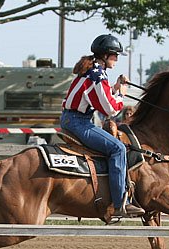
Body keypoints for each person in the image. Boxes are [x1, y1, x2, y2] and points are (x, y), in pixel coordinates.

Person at [60, 34, 144, 218]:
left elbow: (101, 98)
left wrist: (115, 88)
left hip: (73, 119)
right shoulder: (97, 75)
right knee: (118, 149)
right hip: (78, 122)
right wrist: (122, 94)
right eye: (115, 55)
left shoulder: (93, 71)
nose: (117, 59)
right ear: (105, 55)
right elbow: (111, 109)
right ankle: (120, 203)